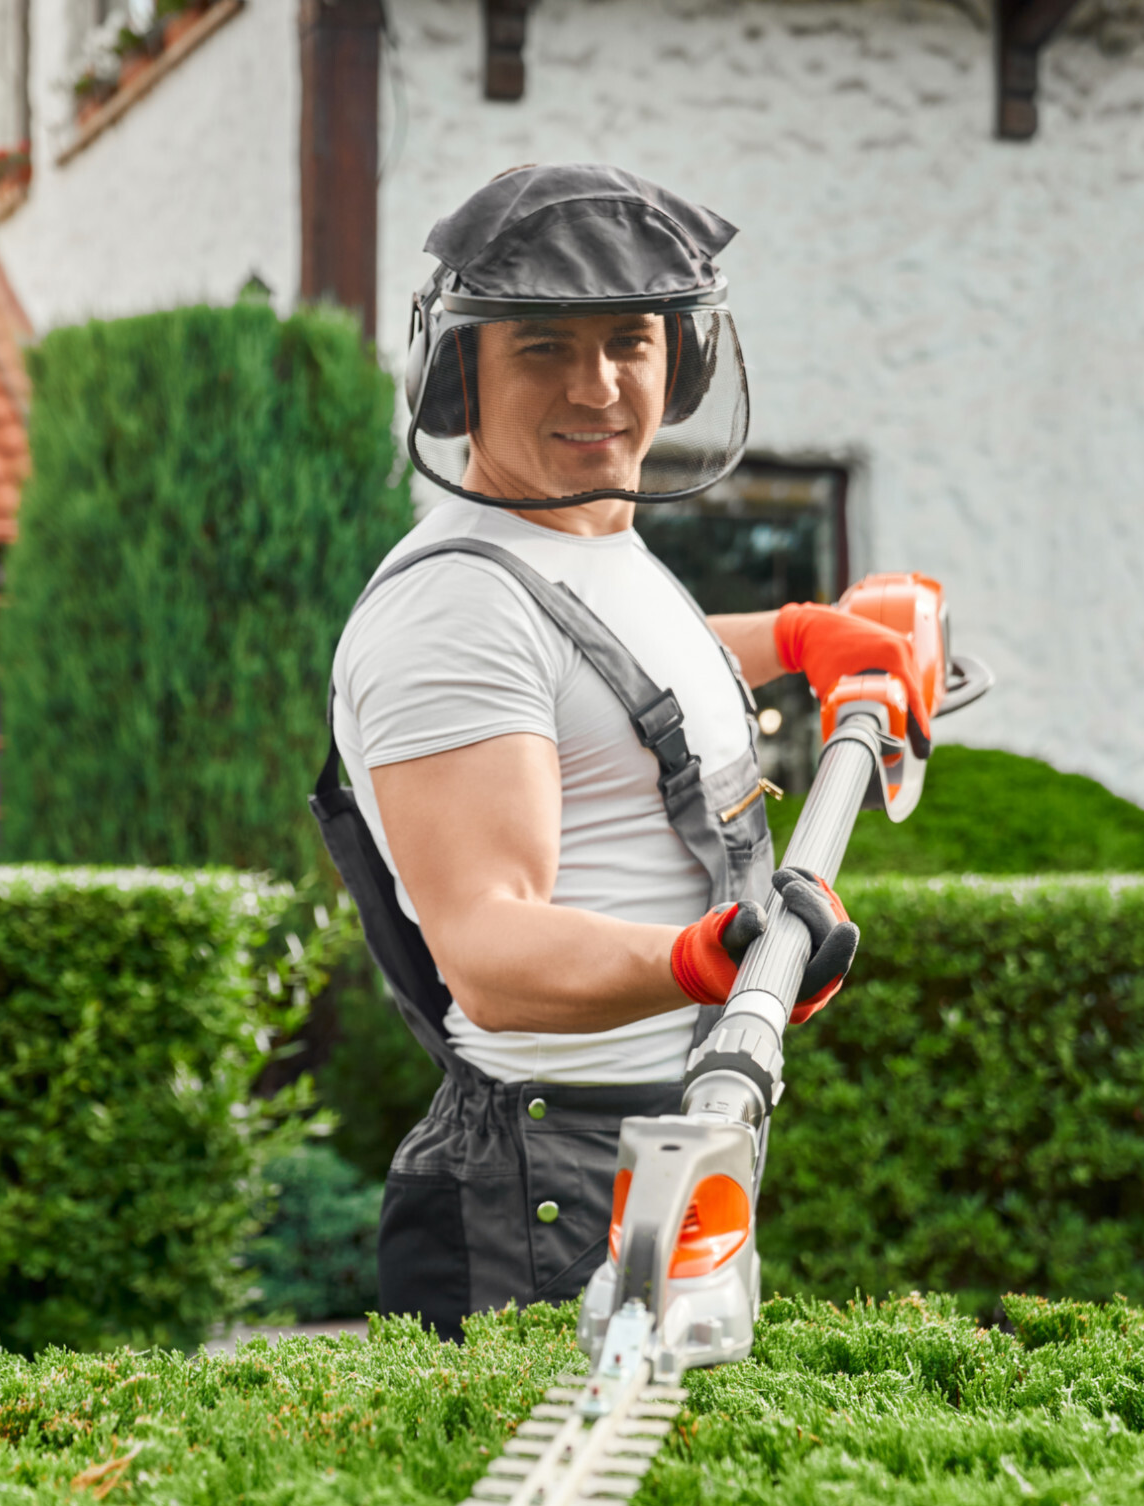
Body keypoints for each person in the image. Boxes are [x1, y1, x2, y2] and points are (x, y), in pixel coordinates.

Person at [311, 164, 934, 1337]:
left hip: (664, 1132)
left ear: (681, 361)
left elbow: (613, 683)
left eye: (631, 342)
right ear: (459, 376)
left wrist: (800, 637)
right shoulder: (458, 609)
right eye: (543, 348)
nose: (597, 386)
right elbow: (491, 946)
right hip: (540, 1186)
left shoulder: (584, 539)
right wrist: (709, 957)